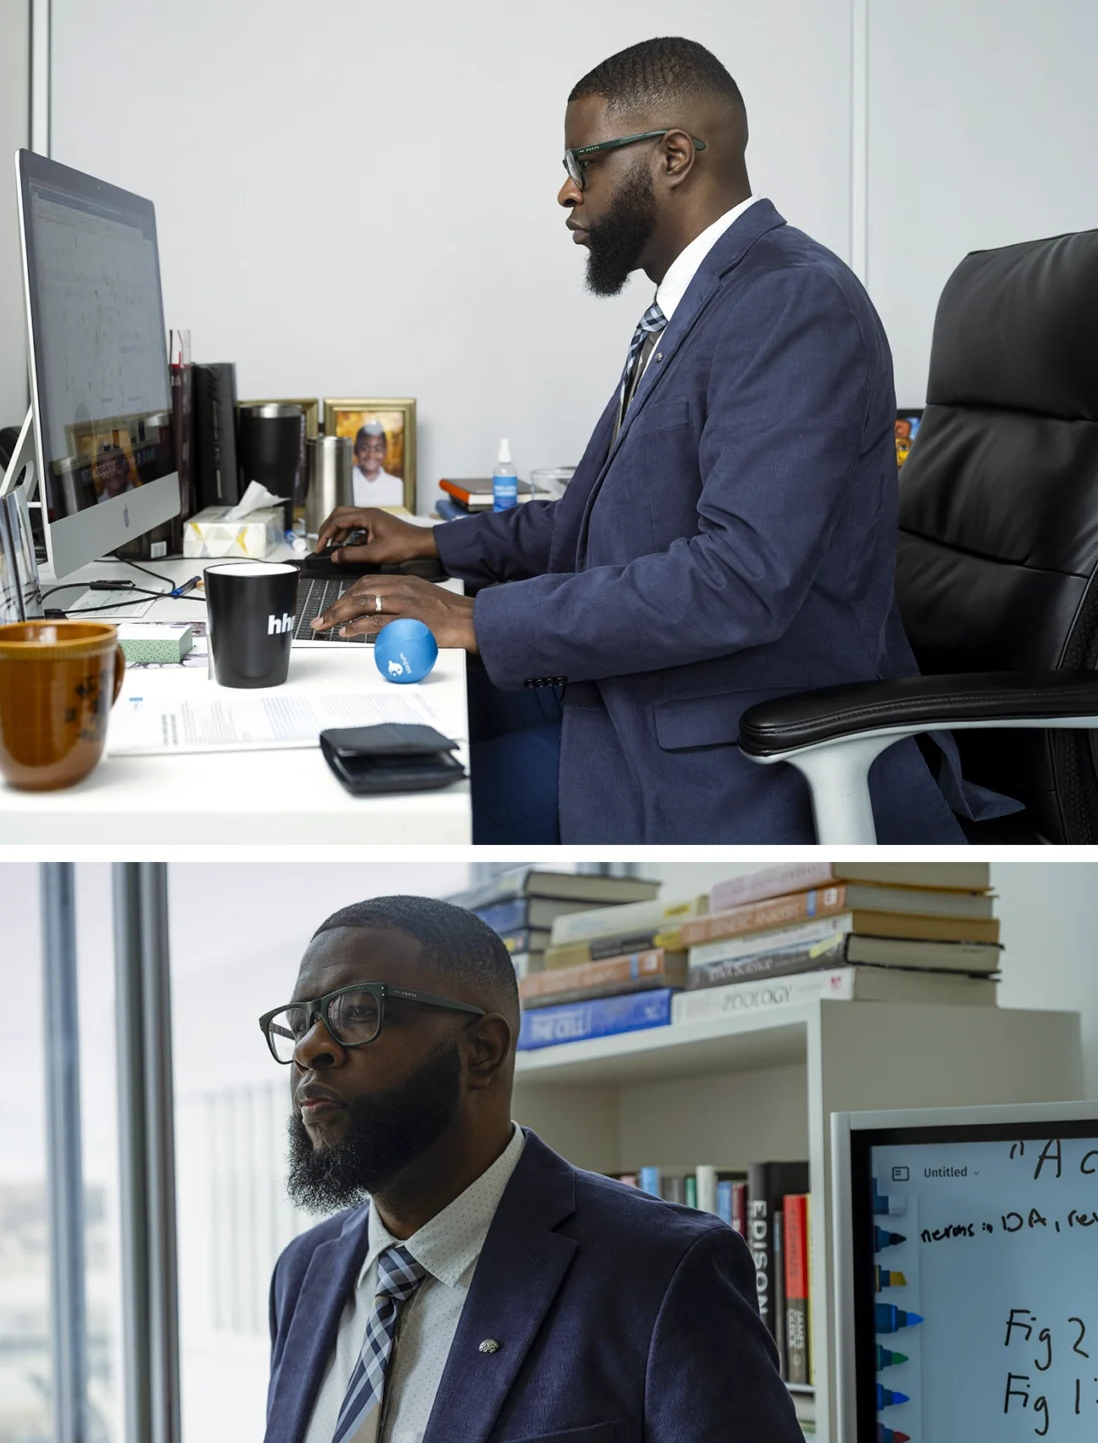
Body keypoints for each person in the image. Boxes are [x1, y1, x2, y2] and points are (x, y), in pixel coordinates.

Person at [306, 38, 989, 843]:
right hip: (645, 686)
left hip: (727, 744)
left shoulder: (793, 304)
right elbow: (598, 523)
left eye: (583, 162)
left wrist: (479, 623)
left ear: (672, 156)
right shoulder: (700, 304)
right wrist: (433, 542)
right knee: (345, 703)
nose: (566, 191)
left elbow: (740, 578)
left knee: (378, 815)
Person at [248, 895, 842, 1443]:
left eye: (355, 1012)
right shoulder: (305, 1274)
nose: (311, 1049)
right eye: (300, 1020)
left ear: (481, 1050)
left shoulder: (662, 1277)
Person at [347, 419, 399, 507]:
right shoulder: (346, 483)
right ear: (355, 450)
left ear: (385, 451)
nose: (371, 454)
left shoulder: (397, 485)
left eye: (378, 449)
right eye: (365, 448)